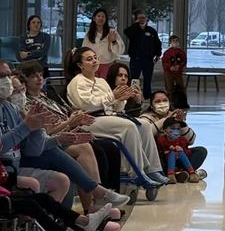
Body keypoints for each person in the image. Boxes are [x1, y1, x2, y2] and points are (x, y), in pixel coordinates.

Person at [16, 61, 130, 213]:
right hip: (47, 142)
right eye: (33, 77)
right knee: (85, 147)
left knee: (108, 148)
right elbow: (45, 132)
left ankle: (100, 199)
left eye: (40, 75)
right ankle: (95, 202)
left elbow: (65, 115)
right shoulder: (27, 104)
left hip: (59, 136)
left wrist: (76, 121)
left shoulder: (48, 95)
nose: (39, 79)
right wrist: (70, 123)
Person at [0, 59, 72, 204]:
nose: (7, 81)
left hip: (12, 169)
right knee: (33, 184)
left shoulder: (10, 107)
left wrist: (36, 127)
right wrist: (27, 126)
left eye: (8, 75)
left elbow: (33, 151)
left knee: (61, 181)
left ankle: (40, 225)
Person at [66, 47, 167, 186]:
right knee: (129, 126)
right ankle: (138, 173)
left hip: (107, 117)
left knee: (144, 125)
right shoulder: (77, 82)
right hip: (88, 120)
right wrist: (113, 96)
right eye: (89, 59)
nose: (94, 61)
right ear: (80, 65)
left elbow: (114, 106)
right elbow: (87, 105)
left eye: (95, 57)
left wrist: (121, 99)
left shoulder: (101, 81)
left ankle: (153, 170)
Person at [138, 90, 207, 172]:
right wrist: (165, 120)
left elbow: (191, 141)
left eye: (165, 100)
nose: (162, 103)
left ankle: (182, 172)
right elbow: (144, 133)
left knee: (201, 151)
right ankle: (181, 172)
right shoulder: (145, 117)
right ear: (152, 106)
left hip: (178, 153)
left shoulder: (175, 116)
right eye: (157, 101)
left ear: (169, 103)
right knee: (155, 158)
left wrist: (182, 123)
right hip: (161, 156)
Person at [124, 9, 162, 99]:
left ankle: (147, 95)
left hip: (148, 59)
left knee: (147, 78)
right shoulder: (133, 30)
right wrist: (136, 24)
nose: (142, 19)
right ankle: (133, 95)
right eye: (140, 18)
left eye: (144, 18)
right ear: (136, 19)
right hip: (136, 58)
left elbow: (157, 43)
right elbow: (127, 32)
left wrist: (158, 54)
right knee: (134, 78)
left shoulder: (151, 30)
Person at [156, 117, 202, 183]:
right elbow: (158, 151)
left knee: (201, 151)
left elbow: (187, 150)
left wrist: (182, 149)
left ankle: (190, 172)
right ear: (165, 131)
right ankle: (172, 174)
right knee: (171, 153)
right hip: (166, 163)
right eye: (172, 128)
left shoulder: (182, 140)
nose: (176, 131)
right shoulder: (161, 139)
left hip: (181, 162)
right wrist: (166, 151)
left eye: (178, 129)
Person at [83, 8, 124, 79]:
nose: (101, 18)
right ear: (94, 18)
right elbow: (84, 49)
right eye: (98, 16)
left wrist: (113, 41)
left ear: (106, 19)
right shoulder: (89, 33)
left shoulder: (112, 32)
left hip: (108, 65)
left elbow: (120, 50)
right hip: (93, 65)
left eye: (103, 16)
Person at [160, 35, 189, 109]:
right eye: (174, 41)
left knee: (181, 87)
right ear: (170, 42)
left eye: (177, 41)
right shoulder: (167, 52)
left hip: (178, 73)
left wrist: (179, 67)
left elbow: (184, 61)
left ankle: (182, 102)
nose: (175, 43)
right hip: (168, 73)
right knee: (169, 88)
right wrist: (170, 67)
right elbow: (164, 62)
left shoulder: (181, 52)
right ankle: (170, 103)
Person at [18, 14, 51, 79]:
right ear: (29, 25)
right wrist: (35, 53)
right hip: (27, 67)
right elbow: (22, 54)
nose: (36, 24)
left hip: (42, 66)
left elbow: (43, 52)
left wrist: (29, 53)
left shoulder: (46, 37)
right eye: (33, 22)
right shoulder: (23, 37)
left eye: (38, 23)